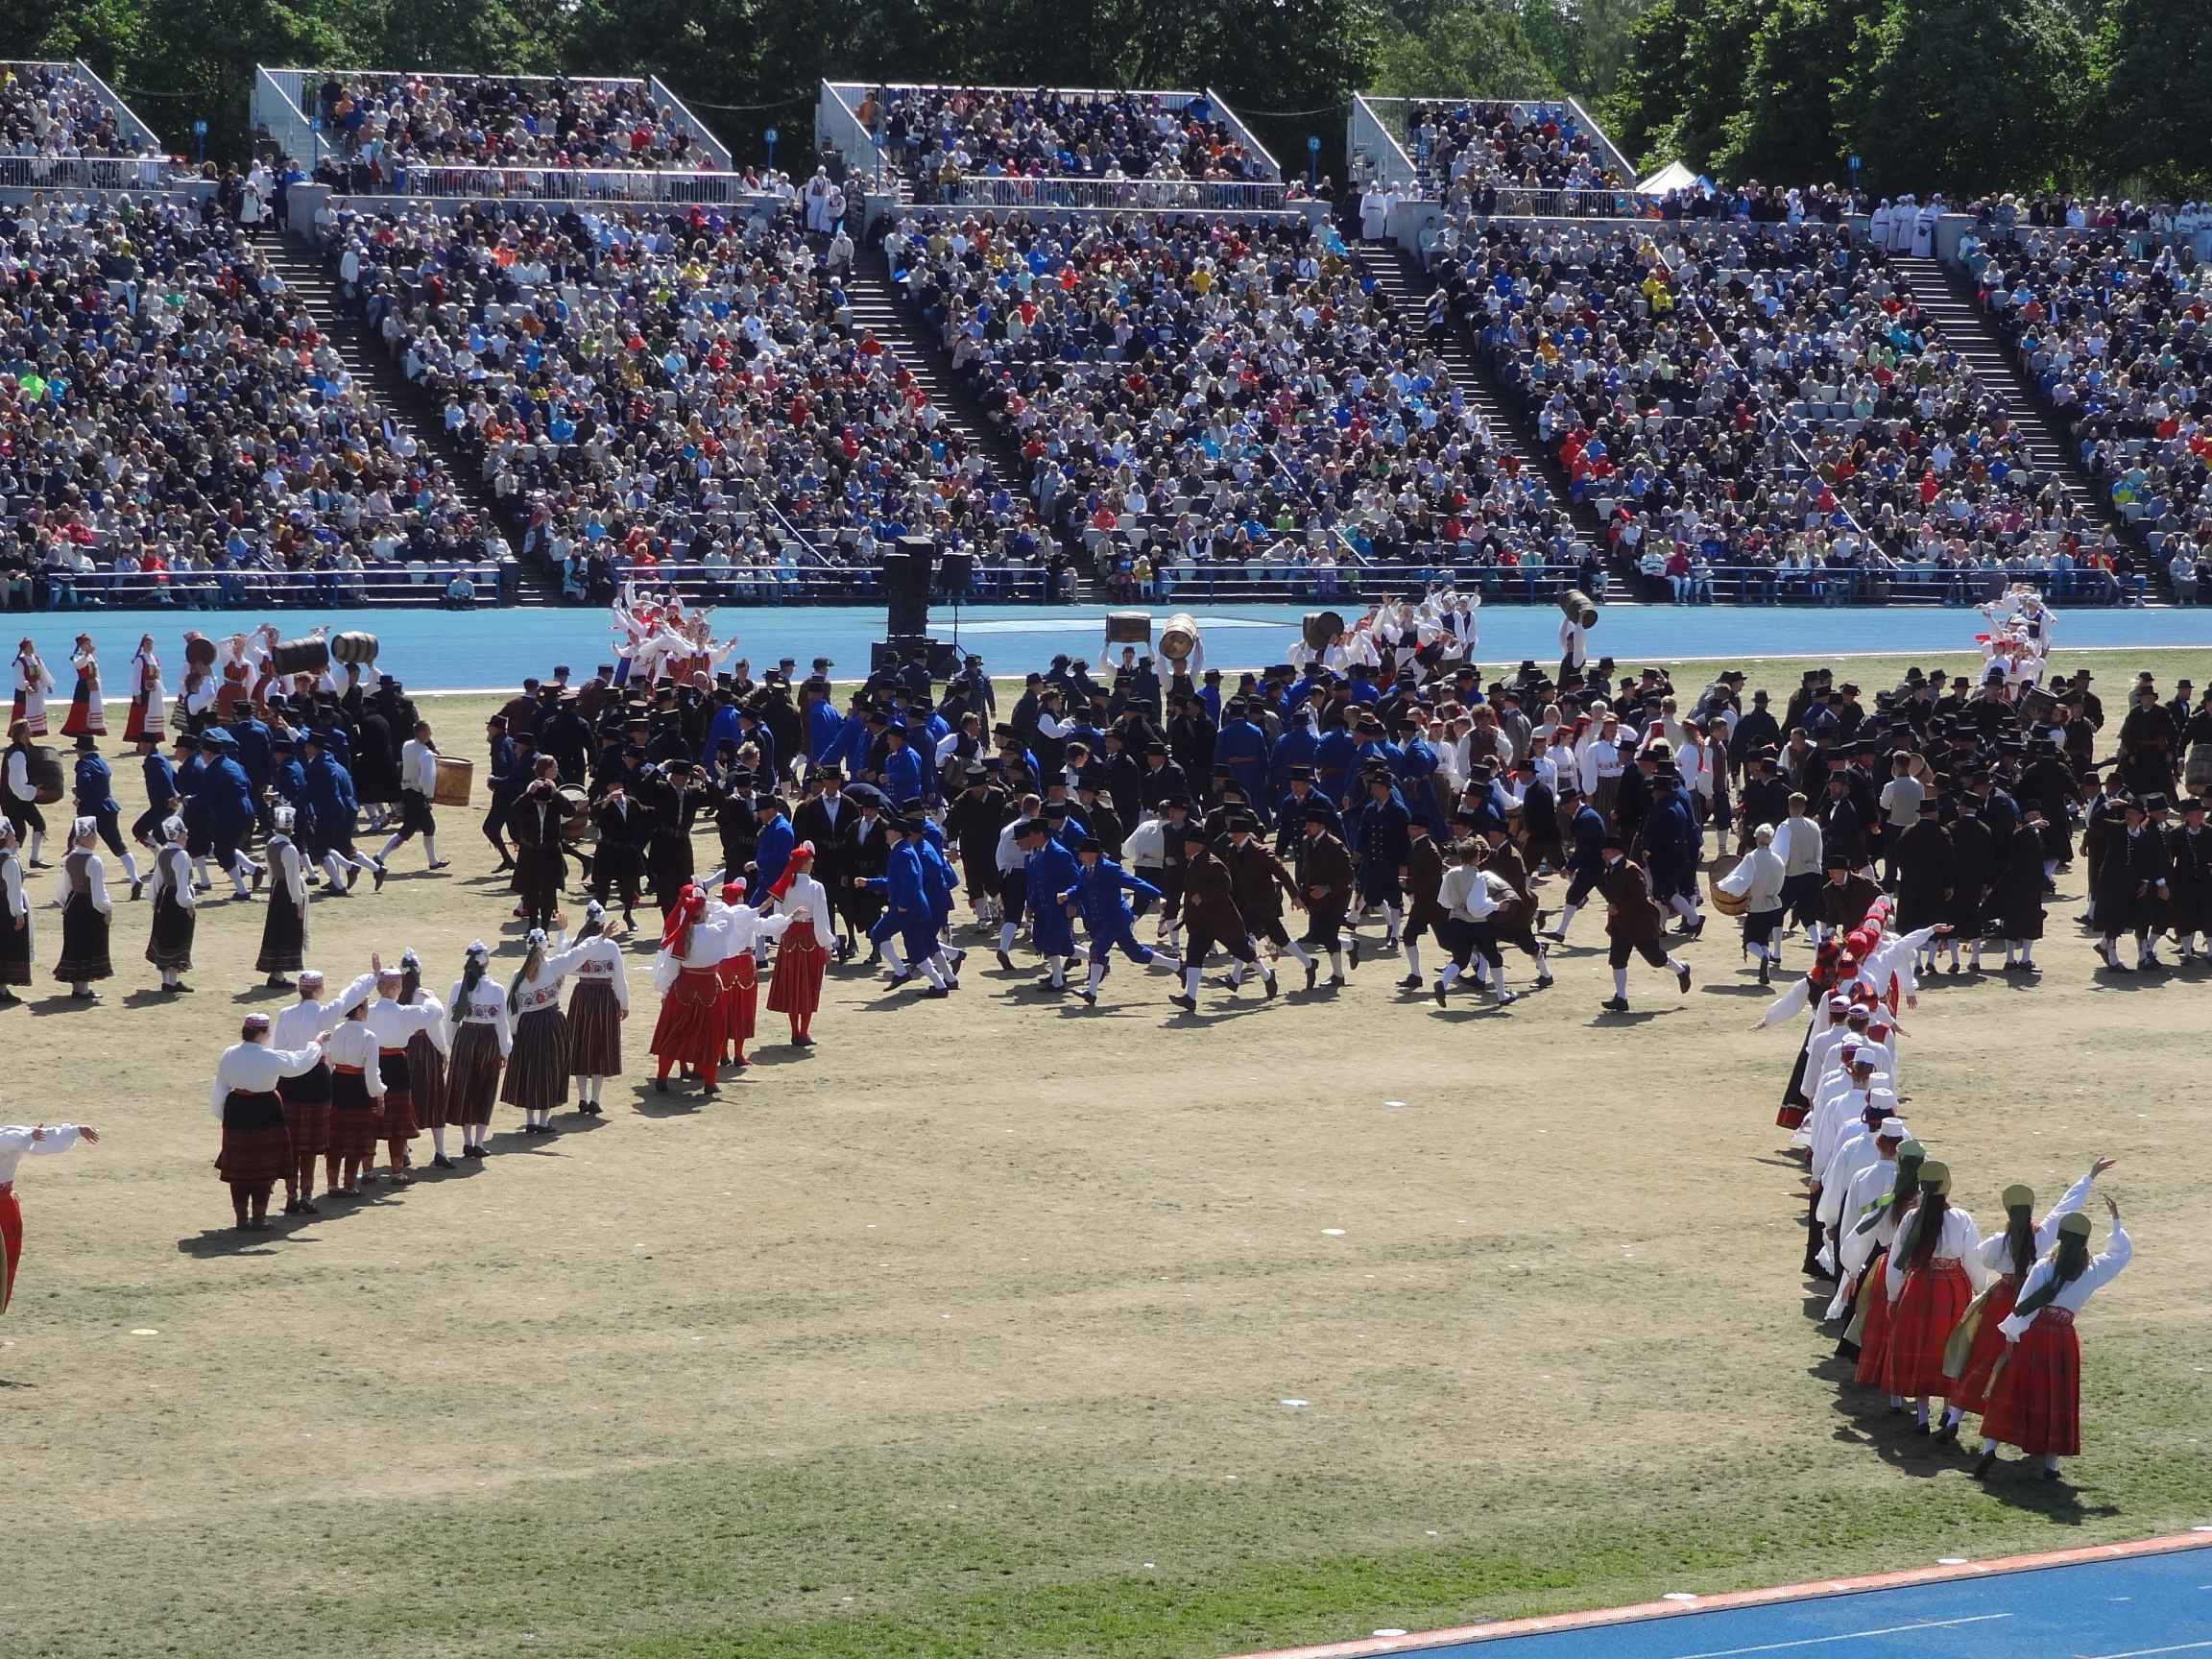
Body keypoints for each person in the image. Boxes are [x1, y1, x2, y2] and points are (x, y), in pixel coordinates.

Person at [1945, 1160, 2111, 1434]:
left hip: (2000, 1299)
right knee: (2014, 1367)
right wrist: (2089, 1176)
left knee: (1980, 1357)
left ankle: (1953, 1420)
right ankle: (2003, 1429)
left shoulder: (1998, 1242)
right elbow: (2065, 1207)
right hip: (2029, 1307)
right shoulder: (2043, 1237)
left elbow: (1983, 1257)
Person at [1974, 1195, 2130, 1481]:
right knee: (2055, 1397)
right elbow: (2119, 1255)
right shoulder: (2092, 1271)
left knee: (2010, 1388)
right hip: (2062, 1340)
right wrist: (2116, 1222)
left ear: (2060, 1238)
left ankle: (1989, 1449)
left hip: (2033, 1334)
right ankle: (2051, 1466)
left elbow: (2024, 1304)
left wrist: (2011, 1334)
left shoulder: (2044, 1266)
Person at [271, 968, 374, 1214]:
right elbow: (351, 994)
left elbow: (278, 1048)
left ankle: (291, 1195)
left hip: (289, 1077)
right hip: (316, 1078)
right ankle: (306, 1196)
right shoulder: (326, 1012)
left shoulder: (285, 1014)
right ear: (319, 989)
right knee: (309, 1144)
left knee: (292, 1142)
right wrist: (373, 976)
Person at [208, 1015, 325, 1232]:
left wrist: (225, 1117)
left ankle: (242, 1219)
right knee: (264, 1167)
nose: (270, 1035)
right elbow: (299, 1064)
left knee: (241, 1169)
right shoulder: (270, 1056)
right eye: (268, 1031)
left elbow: (220, 1088)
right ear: (261, 1033)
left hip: (236, 1111)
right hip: (265, 1110)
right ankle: (259, 1218)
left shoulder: (229, 1053)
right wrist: (316, 1044)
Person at [1, 1116, 100, 1313]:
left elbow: (29, 1138)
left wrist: (75, 1131)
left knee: (6, 1260)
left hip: (3, 1207)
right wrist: (28, 1136)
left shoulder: (8, 1133)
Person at [1061, 835, 1173, 1005]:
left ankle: (1091, 992)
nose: (1079, 856)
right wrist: (1068, 895)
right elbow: (1080, 888)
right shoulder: (1084, 870)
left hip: (1116, 918)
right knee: (1136, 954)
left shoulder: (1110, 869)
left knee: (1096, 949)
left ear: (1092, 854)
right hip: (1103, 919)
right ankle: (1177, 966)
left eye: (1082, 853)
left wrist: (1156, 896)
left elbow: (1133, 882)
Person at [501, 927, 592, 1134]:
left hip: (527, 1027)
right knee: (550, 1071)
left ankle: (530, 1120)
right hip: (551, 1024)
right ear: (544, 948)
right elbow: (574, 955)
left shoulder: (518, 975)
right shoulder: (553, 966)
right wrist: (599, 938)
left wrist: (513, 1032)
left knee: (529, 1072)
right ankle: (543, 1121)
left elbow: (511, 1009)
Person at [1171, 823, 1271, 1009]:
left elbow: (1225, 886)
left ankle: (1267, 976)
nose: (1185, 847)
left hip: (1222, 922)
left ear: (1198, 845)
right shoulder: (1194, 862)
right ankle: (1190, 998)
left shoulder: (1213, 864)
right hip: (1201, 923)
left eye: (1187, 843)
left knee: (1243, 952)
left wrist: (1203, 896)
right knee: (1194, 956)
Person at [1597, 833, 1691, 1013]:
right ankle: (1621, 998)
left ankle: (1681, 970)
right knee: (1617, 959)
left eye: (1605, 851)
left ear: (1615, 851)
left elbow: (1639, 897)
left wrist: (1618, 907)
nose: (1602, 854)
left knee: (1655, 958)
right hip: (1620, 923)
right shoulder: (1610, 868)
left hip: (1639, 922)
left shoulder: (1631, 869)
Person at [651, 888, 733, 1095]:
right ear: (703, 911)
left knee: (674, 1032)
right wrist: (708, 903)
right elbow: (729, 917)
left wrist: (665, 991)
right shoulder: (716, 931)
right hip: (710, 988)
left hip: (683, 987)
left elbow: (670, 969)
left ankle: (662, 1077)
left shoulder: (681, 935)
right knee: (711, 1034)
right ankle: (710, 1082)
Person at [445, 942, 513, 1156]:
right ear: (486, 963)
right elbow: (502, 1022)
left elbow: (451, 1020)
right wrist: (504, 1050)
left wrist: (453, 1043)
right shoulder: (496, 989)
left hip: (465, 1038)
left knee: (465, 1088)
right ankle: (479, 1143)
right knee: (486, 1088)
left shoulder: (458, 986)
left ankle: (467, 1142)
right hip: (488, 1041)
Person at [762, 844, 831, 1045]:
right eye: (810, 860)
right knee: (809, 985)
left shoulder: (784, 886)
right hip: (810, 939)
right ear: (805, 864)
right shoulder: (816, 887)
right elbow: (822, 918)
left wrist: (779, 938)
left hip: (789, 939)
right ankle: (804, 1032)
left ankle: (795, 1031)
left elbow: (778, 916)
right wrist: (827, 944)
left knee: (792, 985)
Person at [320, 998, 386, 1198]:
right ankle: (349, 1185)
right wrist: (379, 1093)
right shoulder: (369, 1036)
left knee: (335, 1138)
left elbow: (328, 1063)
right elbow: (372, 1073)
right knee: (356, 1139)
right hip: (359, 1088)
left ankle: (332, 1185)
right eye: (365, 1008)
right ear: (358, 1011)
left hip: (337, 1085)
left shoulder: (334, 1031)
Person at [374, 720, 448, 875]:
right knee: (410, 829)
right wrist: (428, 795)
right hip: (418, 793)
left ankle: (432, 861)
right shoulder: (426, 754)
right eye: (427, 732)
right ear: (421, 733)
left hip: (407, 790)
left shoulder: (407, 746)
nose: (430, 734)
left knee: (426, 826)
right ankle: (380, 857)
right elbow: (427, 778)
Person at [54, 816, 113, 1000]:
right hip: (89, 906)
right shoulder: (94, 861)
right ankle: (83, 989)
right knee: (88, 945)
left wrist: (66, 905)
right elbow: (98, 890)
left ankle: (78, 988)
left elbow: (64, 887)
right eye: (93, 835)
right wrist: (106, 908)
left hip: (73, 904)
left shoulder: (70, 858)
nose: (96, 839)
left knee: (75, 944)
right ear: (84, 838)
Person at [143, 816, 197, 995]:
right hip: (175, 900)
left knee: (165, 937)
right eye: (185, 833)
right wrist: (188, 904)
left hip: (163, 897)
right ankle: (171, 983)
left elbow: (157, 879)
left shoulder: (164, 852)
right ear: (179, 835)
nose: (187, 835)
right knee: (176, 938)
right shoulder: (181, 855)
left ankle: (168, 982)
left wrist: (153, 900)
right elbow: (182, 884)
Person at [256, 805, 310, 987]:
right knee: (285, 930)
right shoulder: (289, 849)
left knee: (276, 930)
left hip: (276, 888)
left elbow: (271, 872)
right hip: (287, 892)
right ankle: (277, 975)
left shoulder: (271, 843)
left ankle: (276, 973)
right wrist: (299, 901)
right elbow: (293, 879)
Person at [0, 818, 28, 1007]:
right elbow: (14, 890)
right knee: (6, 947)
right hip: (5, 908)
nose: (15, 835)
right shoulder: (10, 862)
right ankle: (2, 990)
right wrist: (18, 914)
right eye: (11, 833)